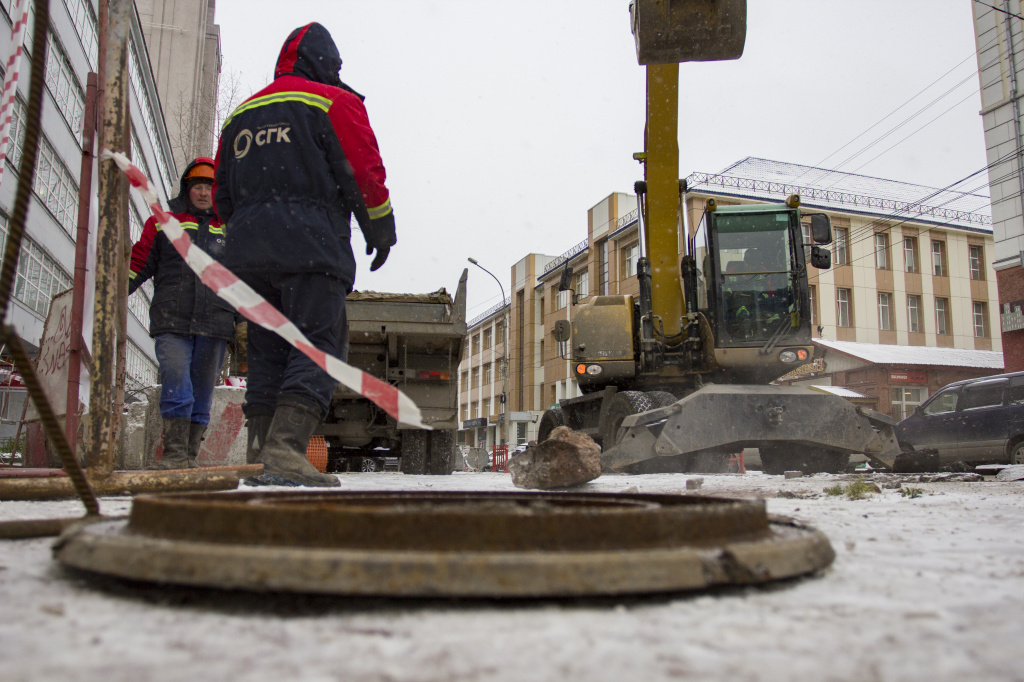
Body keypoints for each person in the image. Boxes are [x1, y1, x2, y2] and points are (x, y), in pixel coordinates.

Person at [213, 22, 396, 487]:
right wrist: (381, 230)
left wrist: (250, 235)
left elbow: (221, 198)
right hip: (312, 250)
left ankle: (260, 452)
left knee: (268, 350)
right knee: (318, 344)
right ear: (327, 63)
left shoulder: (240, 115)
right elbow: (364, 173)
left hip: (249, 259)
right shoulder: (333, 102)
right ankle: (286, 449)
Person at [129, 158, 234, 469]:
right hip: (172, 319)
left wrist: (245, 322)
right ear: (187, 189)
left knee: (202, 391)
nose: (203, 193)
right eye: (197, 187)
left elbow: (246, 279)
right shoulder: (164, 222)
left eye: (209, 188)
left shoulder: (232, 229)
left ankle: (189, 456)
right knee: (177, 380)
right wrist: (111, 291)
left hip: (215, 323)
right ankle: (174, 454)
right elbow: (138, 263)